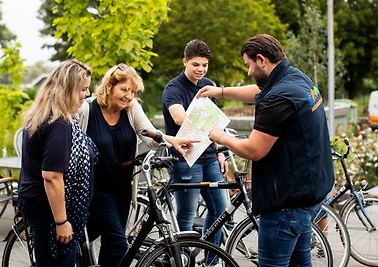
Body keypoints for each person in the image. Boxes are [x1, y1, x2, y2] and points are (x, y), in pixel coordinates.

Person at [198, 33, 334, 266]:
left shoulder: (279, 98)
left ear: (261, 60)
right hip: (310, 195)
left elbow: (253, 149)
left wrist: (219, 136)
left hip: (286, 205)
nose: (248, 71)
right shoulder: (296, 78)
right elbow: (260, 91)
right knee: (300, 263)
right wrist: (220, 92)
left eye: (248, 65)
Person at [78, 63, 198, 267]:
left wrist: (172, 141)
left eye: (132, 91)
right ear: (109, 87)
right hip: (95, 189)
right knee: (118, 243)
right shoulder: (87, 109)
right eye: (124, 89)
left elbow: (149, 135)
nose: (129, 96)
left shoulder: (131, 109)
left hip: (123, 189)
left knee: (111, 246)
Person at [18, 59, 97, 267]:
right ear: (68, 89)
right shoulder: (59, 123)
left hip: (38, 204)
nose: (87, 94)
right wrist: (61, 222)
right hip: (49, 211)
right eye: (83, 89)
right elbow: (52, 176)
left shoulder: (44, 115)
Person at [161, 39, 228, 265]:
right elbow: (179, 118)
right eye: (196, 65)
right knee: (187, 215)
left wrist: (220, 153)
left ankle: (211, 261)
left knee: (220, 209)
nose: (200, 70)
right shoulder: (174, 88)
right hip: (185, 160)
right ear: (185, 62)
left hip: (209, 157)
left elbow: (215, 125)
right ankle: (184, 261)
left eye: (205, 65)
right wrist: (207, 117)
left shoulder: (208, 84)